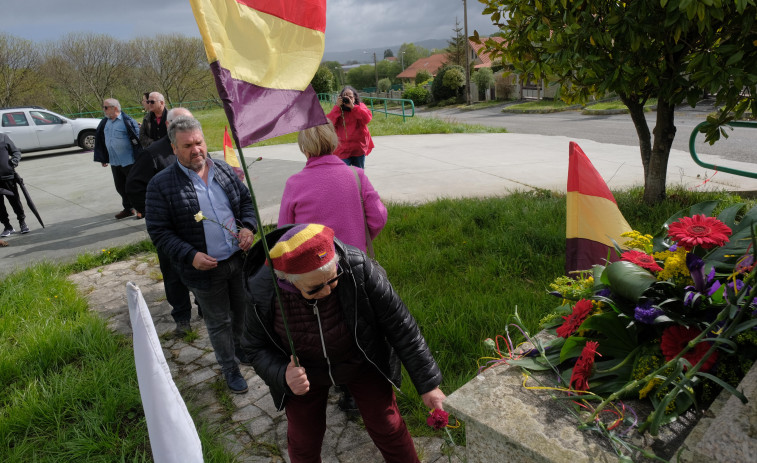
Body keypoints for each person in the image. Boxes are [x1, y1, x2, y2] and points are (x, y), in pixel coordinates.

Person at [242, 223, 446, 462]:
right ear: (287, 280)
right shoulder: (262, 290)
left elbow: (401, 326)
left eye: (333, 279)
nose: (328, 291)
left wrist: (428, 385)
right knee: (303, 441)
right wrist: (282, 375)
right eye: (315, 287)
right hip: (304, 375)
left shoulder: (357, 266)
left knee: (387, 425)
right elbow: (253, 347)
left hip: (360, 360)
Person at [278, 122, 387, 413]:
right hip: (355, 269)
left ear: (303, 147)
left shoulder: (294, 184)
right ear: (334, 140)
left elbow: (284, 236)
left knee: (327, 331)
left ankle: (330, 383)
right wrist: (359, 241)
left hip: (315, 277)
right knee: (357, 328)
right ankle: (356, 394)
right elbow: (378, 217)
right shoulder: (356, 175)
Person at [145, 116, 257, 394]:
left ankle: (242, 350)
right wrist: (190, 254)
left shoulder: (223, 169)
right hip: (204, 270)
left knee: (242, 310)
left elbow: (245, 202)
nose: (196, 150)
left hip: (237, 260)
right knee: (219, 321)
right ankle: (229, 368)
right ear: (174, 149)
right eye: (187, 146)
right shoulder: (161, 185)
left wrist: (249, 228)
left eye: (199, 142)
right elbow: (159, 232)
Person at [126, 107, 202, 336]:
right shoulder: (153, 154)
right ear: (170, 126)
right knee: (174, 274)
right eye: (183, 124)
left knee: (202, 269)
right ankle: (182, 317)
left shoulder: (196, 150)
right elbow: (134, 187)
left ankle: (205, 308)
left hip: (198, 224)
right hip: (170, 230)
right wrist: (155, 212)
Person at [93, 98, 141, 220]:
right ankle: (128, 209)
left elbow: (138, 141)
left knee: (134, 187)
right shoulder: (105, 122)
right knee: (120, 187)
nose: (103, 110)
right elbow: (102, 141)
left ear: (114, 108)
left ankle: (141, 208)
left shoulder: (127, 121)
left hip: (129, 161)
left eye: (105, 107)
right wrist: (103, 157)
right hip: (115, 161)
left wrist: (140, 158)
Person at [326, 86, 375, 168]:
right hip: (342, 149)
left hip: (358, 148)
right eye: (345, 96)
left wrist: (353, 107)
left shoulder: (360, 107)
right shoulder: (338, 110)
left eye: (350, 97)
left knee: (358, 174)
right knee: (344, 174)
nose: (347, 98)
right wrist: (337, 107)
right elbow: (329, 124)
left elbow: (367, 119)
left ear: (355, 97)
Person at [0, 133, 28, 237]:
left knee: (15, 201)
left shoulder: (3, 137)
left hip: (8, 178)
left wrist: (13, 162)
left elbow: (16, 152)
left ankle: (22, 223)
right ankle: (7, 227)